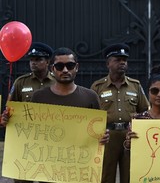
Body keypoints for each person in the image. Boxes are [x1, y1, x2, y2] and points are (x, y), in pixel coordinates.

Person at [2, 47, 109, 182]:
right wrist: (9, 121)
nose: (65, 70)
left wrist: (104, 136)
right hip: (49, 172)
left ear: (77, 67)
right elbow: (30, 131)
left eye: (70, 65)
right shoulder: (39, 97)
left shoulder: (90, 97)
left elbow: (99, 130)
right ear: (52, 68)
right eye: (59, 66)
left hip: (78, 171)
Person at [90, 43, 149, 183]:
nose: (122, 62)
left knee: (130, 176)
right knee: (106, 176)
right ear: (108, 63)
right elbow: (90, 115)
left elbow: (145, 111)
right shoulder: (97, 87)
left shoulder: (135, 85)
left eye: (125, 60)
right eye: (117, 59)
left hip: (130, 137)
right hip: (107, 138)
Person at [3, 42, 54, 183]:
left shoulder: (57, 82)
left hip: (51, 141)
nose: (33, 63)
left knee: (49, 178)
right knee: (23, 179)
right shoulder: (21, 82)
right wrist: (6, 117)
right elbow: (10, 108)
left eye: (38, 60)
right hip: (26, 140)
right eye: (31, 60)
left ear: (48, 61)